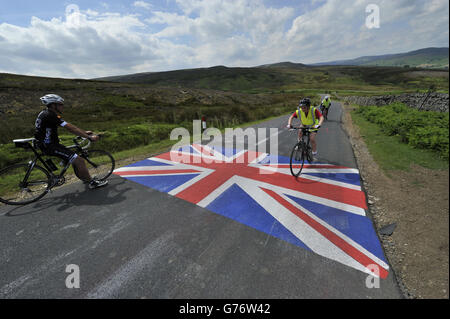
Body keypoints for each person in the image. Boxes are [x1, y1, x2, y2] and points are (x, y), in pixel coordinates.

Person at [34, 94, 108, 189]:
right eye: (60, 104)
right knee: (79, 160)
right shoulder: (51, 115)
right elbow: (71, 128)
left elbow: (72, 127)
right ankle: (92, 183)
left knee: (73, 158)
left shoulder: (44, 113)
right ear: (53, 105)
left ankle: (84, 178)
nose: (62, 106)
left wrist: (84, 132)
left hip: (46, 144)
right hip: (49, 145)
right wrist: (89, 137)